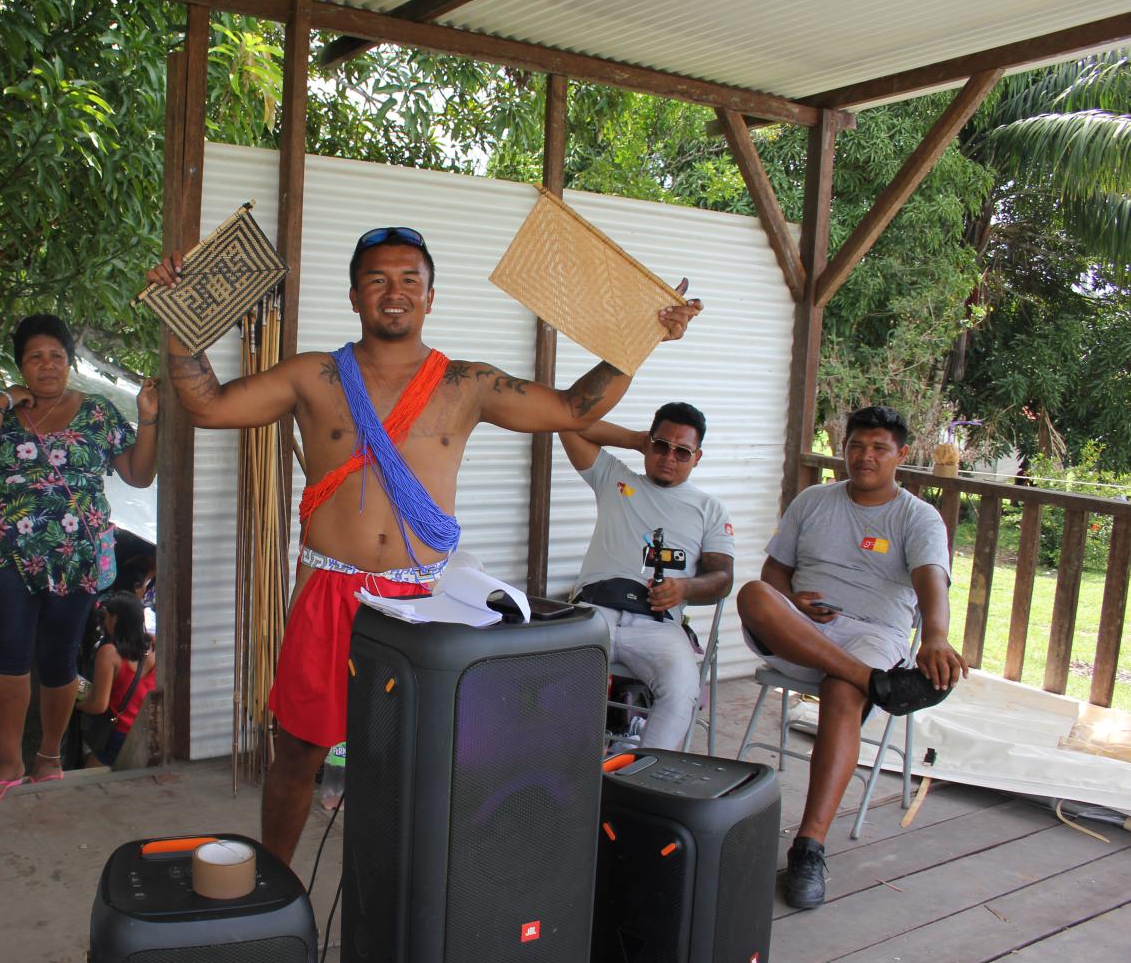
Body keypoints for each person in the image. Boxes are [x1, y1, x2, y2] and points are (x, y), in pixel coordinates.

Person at [147, 226, 704, 865]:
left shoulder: (466, 384)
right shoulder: (314, 375)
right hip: (331, 591)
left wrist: (643, 338)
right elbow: (211, 407)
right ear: (354, 296)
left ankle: (405, 895)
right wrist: (180, 318)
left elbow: (574, 408)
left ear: (431, 298)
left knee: (417, 756)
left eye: (410, 280)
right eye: (378, 280)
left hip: (423, 601)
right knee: (298, 748)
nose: (395, 292)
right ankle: (275, 881)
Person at [736, 405, 964, 910]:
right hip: (802, 629)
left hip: (874, 634)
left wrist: (936, 635)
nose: (865, 457)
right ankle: (879, 684)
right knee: (753, 594)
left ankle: (809, 848)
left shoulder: (916, 516)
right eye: (857, 446)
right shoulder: (813, 500)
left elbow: (931, 578)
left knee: (843, 692)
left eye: (879, 448)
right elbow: (775, 571)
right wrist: (793, 601)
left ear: (901, 456)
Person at [0, 314, 158, 804]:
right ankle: (8, 760)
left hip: (75, 557)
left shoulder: (98, 412)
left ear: (70, 361)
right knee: (8, 652)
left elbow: (139, 475)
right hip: (7, 553)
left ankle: (48, 756)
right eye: (35, 356)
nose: (47, 365)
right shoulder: (4, 414)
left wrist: (147, 418)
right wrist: (1, 402)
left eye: (57, 356)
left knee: (59, 657)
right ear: (21, 364)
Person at [560, 402, 734, 750]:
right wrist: (634, 440)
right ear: (649, 443)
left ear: (697, 458)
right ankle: (566, 769)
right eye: (661, 445)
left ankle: (640, 772)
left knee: (683, 688)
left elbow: (722, 579)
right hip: (596, 612)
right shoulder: (614, 477)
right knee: (545, 668)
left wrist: (683, 588)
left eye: (682, 452)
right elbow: (567, 423)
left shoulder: (709, 509)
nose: (669, 457)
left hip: (658, 623)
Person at [76, 590, 157, 767]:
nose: (105, 622)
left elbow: (98, 705)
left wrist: (74, 704)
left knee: (92, 774)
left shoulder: (109, 653)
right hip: (147, 729)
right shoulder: (153, 643)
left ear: (116, 619)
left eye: (107, 617)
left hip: (119, 734)